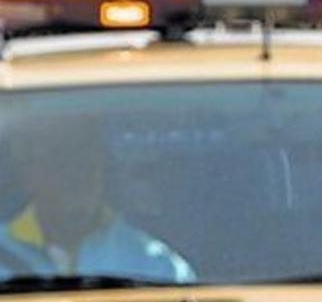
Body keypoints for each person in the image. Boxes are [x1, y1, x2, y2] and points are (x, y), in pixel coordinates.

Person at [0, 117, 194, 282]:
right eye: (60, 163)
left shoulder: (155, 265)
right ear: (28, 175)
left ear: (102, 170)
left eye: (85, 162)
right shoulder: (5, 251)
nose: (75, 175)